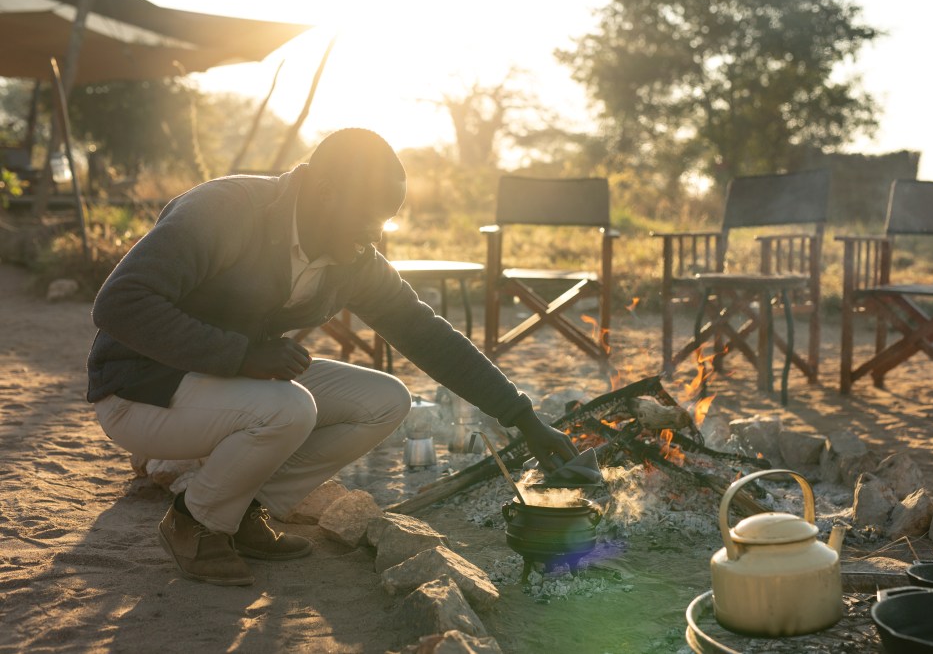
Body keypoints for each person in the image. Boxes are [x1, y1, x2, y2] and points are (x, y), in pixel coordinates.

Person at [87, 128, 579, 586]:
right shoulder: (227, 209)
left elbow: (426, 333)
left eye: (385, 220)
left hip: (229, 385)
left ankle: (241, 510)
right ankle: (195, 524)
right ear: (324, 192)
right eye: (369, 217)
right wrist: (241, 355)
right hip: (141, 389)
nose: (376, 234)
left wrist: (523, 418)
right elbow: (119, 304)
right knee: (291, 408)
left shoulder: (351, 255)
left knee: (385, 400)